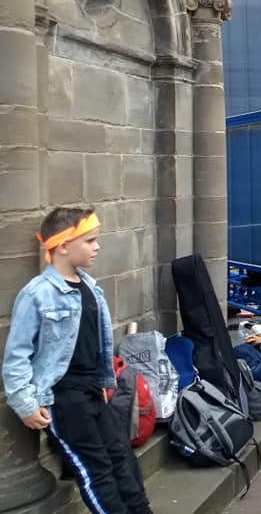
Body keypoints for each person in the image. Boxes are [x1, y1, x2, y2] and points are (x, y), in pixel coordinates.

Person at [3, 208, 153, 514]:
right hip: (61, 399)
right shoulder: (37, 295)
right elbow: (16, 356)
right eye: (90, 241)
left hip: (92, 393)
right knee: (95, 471)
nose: (97, 247)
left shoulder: (90, 288)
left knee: (122, 460)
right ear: (63, 246)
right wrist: (25, 403)